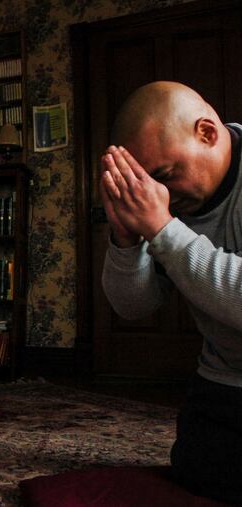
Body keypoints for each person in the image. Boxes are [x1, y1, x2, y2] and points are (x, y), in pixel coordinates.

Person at [100, 81, 242, 504]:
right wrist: (125, 239)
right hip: (222, 380)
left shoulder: (166, 217)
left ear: (207, 133)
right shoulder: (167, 204)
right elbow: (133, 307)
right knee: (196, 475)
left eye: (163, 175)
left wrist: (162, 230)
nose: (158, 193)